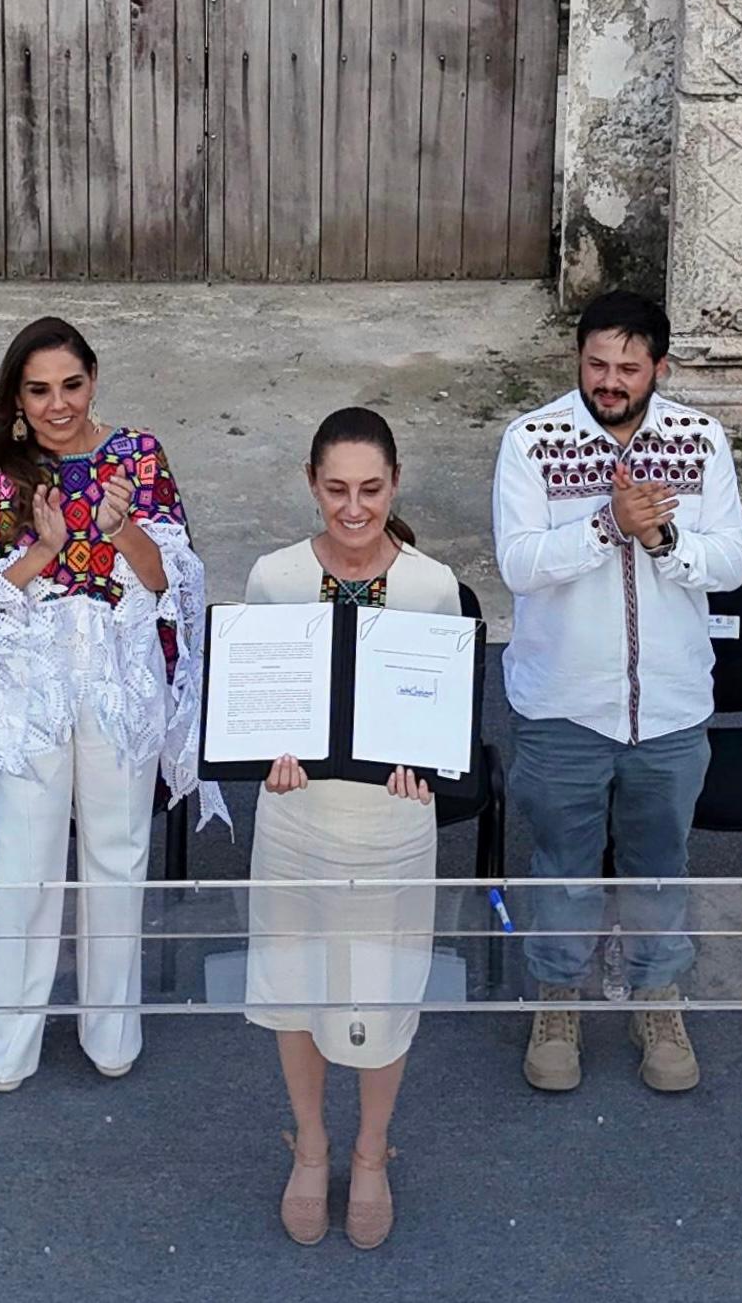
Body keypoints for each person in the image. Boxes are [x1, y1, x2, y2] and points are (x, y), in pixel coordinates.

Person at [491, 288, 742, 1096]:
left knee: (658, 863)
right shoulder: (530, 440)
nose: (609, 380)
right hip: (562, 704)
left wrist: (663, 537)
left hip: (670, 706)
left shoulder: (700, 440)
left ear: (659, 368)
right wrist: (606, 525)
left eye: (627, 367)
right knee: (563, 865)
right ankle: (559, 998)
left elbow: (734, 558)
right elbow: (518, 563)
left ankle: (657, 994)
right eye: (596, 363)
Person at [0, 316, 206, 1090]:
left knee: (117, 852)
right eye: (38, 389)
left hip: (117, 677)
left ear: (93, 379)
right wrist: (44, 552)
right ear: (16, 397)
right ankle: (9, 1033)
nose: (58, 404)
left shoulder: (139, 455)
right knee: (23, 861)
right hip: (28, 687)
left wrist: (121, 531)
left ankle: (111, 1026)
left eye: (71, 384)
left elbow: (168, 583)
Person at [249, 408, 459, 1249]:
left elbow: (441, 718)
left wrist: (425, 764)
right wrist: (263, 751)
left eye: (370, 488)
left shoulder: (433, 586)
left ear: (394, 484)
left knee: (382, 990)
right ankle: (309, 1143)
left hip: (391, 824)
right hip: (296, 816)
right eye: (335, 488)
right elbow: (255, 699)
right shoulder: (270, 575)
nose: (353, 506)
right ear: (310, 484)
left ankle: (370, 1150)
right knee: (293, 987)